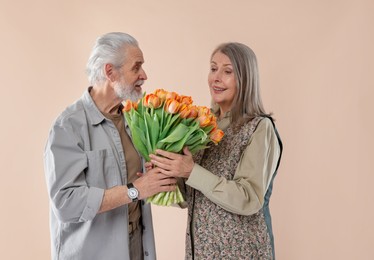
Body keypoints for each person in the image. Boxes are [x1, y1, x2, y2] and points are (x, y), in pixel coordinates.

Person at [43, 32, 177, 260]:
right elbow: (66, 203)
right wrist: (135, 190)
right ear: (110, 72)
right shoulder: (68, 127)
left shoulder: (136, 121)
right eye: (136, 67)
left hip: (136, 247)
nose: (144, 75)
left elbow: (141, 181)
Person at [149, 42, 283, 259]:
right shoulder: (202, 125)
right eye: (213, 68)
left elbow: (249, 198)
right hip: (201, 252)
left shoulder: (259, 127)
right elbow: (188, 197)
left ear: (245, 79)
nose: (216, 78)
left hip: (241, 252)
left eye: (227, 71)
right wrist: (163, 174)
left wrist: (191, 172)